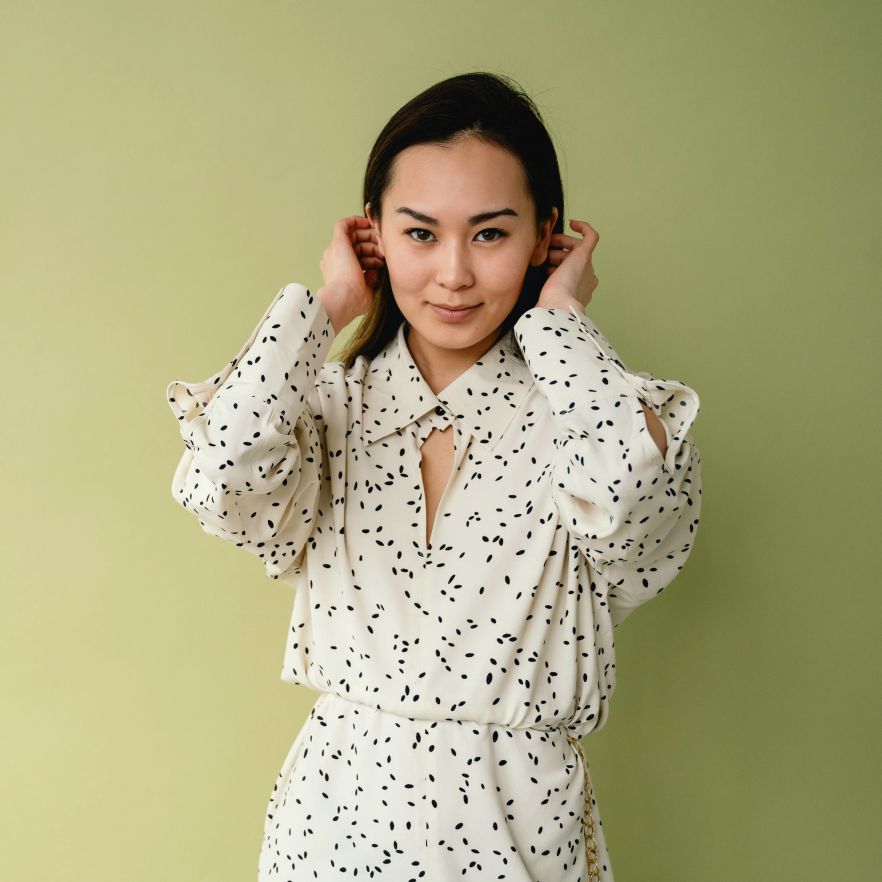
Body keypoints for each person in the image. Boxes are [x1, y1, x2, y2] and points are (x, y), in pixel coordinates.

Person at [165, 71, 703, 882]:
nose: (453, 273)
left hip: (518, 836)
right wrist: (330, 301)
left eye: (489, 234)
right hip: (332, 837)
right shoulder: (327, 409)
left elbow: (638, 501)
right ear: (374, 233)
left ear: (545, 236)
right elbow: (218, 476)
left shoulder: (591, 419)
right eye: (420, 233)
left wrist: (560, 321)